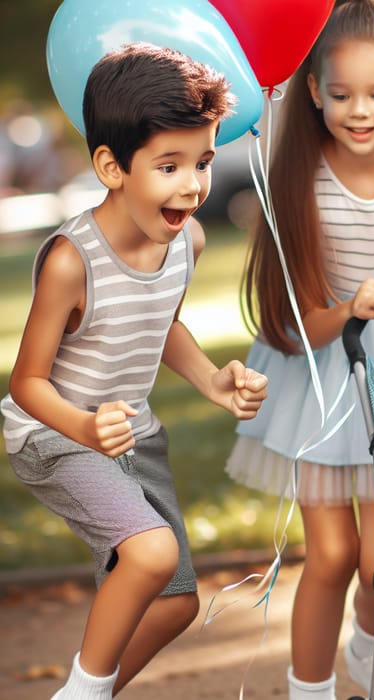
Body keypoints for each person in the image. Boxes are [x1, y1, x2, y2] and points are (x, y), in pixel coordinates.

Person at [0, 43, 268, 699]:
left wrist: (211, 381)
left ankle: (90, 692)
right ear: (111, 167)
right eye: (169, 165)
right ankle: (82, 692)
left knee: (174, 603)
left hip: (133, 435)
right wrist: (85, 429)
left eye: (202, 162)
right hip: (55, 435)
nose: (193, 185)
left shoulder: (187, 241)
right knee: (150, 554)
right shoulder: (71, 260)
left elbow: (161, 324)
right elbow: (25, 382)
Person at [224, 1, 374, 697]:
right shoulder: (297, 171)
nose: (361, 111)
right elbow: (292, 323)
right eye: (343, 94)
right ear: (315, 91)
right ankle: (309, 689)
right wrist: (348, 308)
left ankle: (368, 645)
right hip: (321, 368)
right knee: (329, 554)